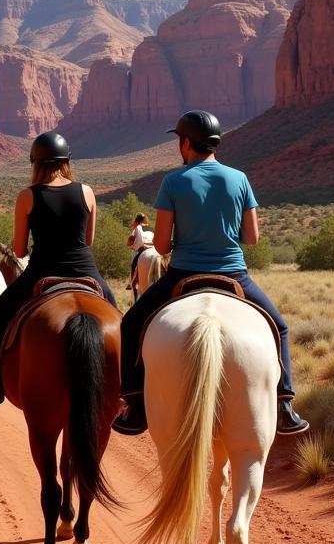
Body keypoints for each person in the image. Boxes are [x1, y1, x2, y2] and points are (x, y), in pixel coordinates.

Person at [111, 110, 308, 436]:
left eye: (179, 140)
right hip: (235, 275)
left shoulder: (173, 181)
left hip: (181, 274)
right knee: (280, 327)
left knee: (131, 323)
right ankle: (285, 403)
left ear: (186, 143)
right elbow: (253, 237)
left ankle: (134, 403)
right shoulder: (239, 178)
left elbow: (159, 245)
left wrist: (184, 238)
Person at [0, 131, 116, 408]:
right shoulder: (87, 191)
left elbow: (22, 251)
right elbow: (89, 240)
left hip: (43, 271)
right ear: (66, 161)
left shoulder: (27, 196)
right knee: (119, 317)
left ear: (35, 162)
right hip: (85, 271)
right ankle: (127, 388)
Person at [126, 212, 154, 289]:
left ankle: (131, 283)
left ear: (136, 220)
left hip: (141, 250)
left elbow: (129, 242)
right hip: (153, 248)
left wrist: (130, 244)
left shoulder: (137, 228)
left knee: (133, 265)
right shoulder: (148, 228)